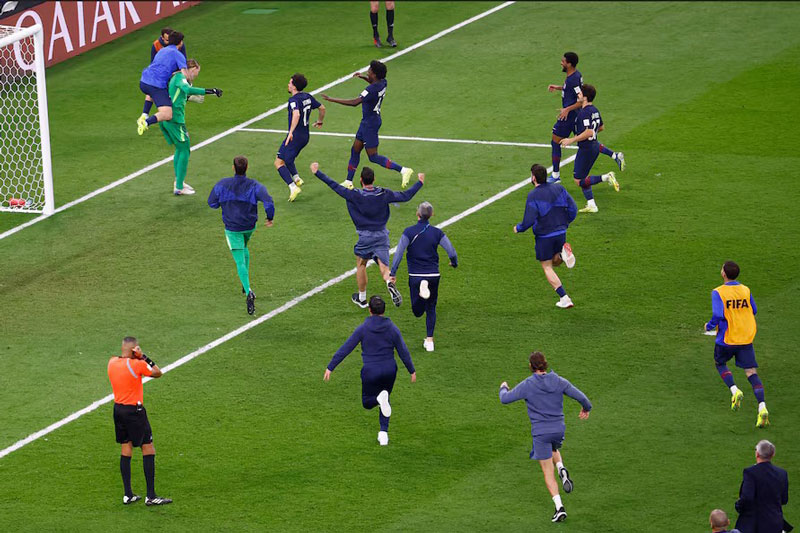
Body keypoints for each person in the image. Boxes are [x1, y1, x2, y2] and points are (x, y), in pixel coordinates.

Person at [311, 161, 423, 308]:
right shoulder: (383, 193)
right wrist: (419, 182)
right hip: (382, 236)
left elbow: (334, 185)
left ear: (361, 180)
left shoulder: (354, 195)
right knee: (384, 266)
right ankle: (388, 281)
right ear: (374, 179)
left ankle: (362, 298)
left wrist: (317, 172)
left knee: (361, 263)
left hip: (365, 237)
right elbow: (405, 196)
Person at [499, 351, 591, 523]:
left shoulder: (528, 385)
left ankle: (559, 508)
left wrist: (503, 387)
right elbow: (582, 397)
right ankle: (562, 468)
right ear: (545, 364)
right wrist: (586, 408)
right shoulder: (558, 381)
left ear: (530, 366)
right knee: (553, 447)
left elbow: (505, 399)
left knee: (548, 472)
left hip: (541, 432)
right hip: (558, 429)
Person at [324, 295, 416, 446]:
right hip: (390, 370)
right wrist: (411, 370)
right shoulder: (392, 328)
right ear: (384, 310)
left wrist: (331, 366)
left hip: (371, 371)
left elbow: (347, 347)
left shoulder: (363, 328)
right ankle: (384, 433)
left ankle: (379, 401)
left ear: (370, 310)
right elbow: (403, 350)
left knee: (367, 402)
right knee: (385, 396)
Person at [321, 60, 414, 189]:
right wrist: (363, 77)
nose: (367, 72)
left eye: (369, 71)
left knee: (373, 157)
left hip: (370, 124)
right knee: (355, 149)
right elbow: (373, 83)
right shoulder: (383, 82)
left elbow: (355, 102)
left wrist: (332, 99)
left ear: (374, 74)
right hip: (369, 121)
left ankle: (404, 170)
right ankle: (348, 181)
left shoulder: (370, 90)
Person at [107, 336, 171, 506]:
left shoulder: (112, 362)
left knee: (126, 447)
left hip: (118, 410)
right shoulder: (137, 364)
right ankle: (151, 496)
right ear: (134, 350)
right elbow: (157, 372)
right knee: (148, 448)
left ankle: (128, 494)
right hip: (134, 412)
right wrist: (143, 357)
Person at [705, 261, 769, 428]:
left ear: (724, 274)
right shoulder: (745, 290)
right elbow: (754, 310)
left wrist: (709, 326)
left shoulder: (718, 292)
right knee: (751, 372)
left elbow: (718, 315)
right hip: (745, 337)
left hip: (727, 339)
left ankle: (734, 390)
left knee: (720, 363)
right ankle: (762, 407)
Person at [208, 156, 275, 315]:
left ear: (233, 168)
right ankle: (244, 284)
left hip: (232, 228)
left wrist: (224, 205)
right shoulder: (255, 185)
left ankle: (248, 291)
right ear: (247, 167)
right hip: (249, 226)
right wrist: (269, 217)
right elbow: (268, 202)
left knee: (239, 261)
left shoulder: (222, 184)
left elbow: (212, 203)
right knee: (244, 247)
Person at [389, 201, 458, 352]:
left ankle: (422, 293)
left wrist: (393, 273)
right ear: (432, 214)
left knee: (417, 311)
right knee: (431, 307)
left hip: (416, 275)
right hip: (433, 275)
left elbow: (399, 253)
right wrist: (454, 263)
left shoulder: (408, 232)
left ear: (417, 214)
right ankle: (430, 341)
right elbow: (451, 252)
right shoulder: (437, 233)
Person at [513, 163, 578, 309]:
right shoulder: (559, 188)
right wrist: (565, 222)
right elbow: (573, 208)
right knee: (555, 260)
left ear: (533, 178)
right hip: (561, 232)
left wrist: (519, 228)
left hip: (544, 236)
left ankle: (564, 298)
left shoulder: (533, 195)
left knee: (547, 267)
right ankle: (563, 255)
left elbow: (529, 219)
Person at [160, 59, 223, 196]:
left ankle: (179, 182)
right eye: (196, 72)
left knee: (180, 148)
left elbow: (179, 94)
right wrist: (210, 91)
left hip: (169, 118)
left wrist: (190, 98)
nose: (196, 76)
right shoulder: (180, 78)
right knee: (185, 149)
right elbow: (187, 89)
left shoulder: (176, 78)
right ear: (192, 69)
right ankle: (179, 187)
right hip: (174, 120)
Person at [560, 84, 620, 213]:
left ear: (585, 97)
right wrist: (591, 134)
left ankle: (606, 177)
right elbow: (601, 127)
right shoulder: (594, 110)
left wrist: (571, 140)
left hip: (586, 149)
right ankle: (591, 204)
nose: (578, 95)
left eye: (580, 93)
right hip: (593, 146)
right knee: (584, 177)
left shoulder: (584, 113)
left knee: (579, 180)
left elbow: (588, 132)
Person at [274, 73, 325, 202]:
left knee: (279, 162)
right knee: (288, 158)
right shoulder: (307, 96)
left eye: (290, 82)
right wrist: (320, 121)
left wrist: (291, 132)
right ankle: (297, 178)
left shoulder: (293, 100)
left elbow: (296, 114)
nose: (288, 84)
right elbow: (322, 108)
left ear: (294, 86)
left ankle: (293, 187)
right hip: (305, 136)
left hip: (295, 136)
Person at [137, 31, 189, 135]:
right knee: (167, 113)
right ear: (180, 42)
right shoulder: (178, 54)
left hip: (143, 81)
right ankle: (145, 122)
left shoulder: (162, 51)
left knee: (152, 93)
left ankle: (144, 114)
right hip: (156, 86)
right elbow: (185, 74)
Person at [735, 440, 790, 533]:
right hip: (775, 523)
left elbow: (747, 498)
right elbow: (784, 500)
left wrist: (738, 506)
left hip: (753, 525)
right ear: (773, 454)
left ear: (757, 454)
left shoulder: (750, 472)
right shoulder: (782, 473)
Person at [547, 52, 583, 183]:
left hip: (569, 116)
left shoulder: (573, 79)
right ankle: (613, 155)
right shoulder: (575, 75)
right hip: (576, 114)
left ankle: (555, 175)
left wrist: (567, 109)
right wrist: (558, 87)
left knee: (555, 141)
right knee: (586, 142)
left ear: (569, 64)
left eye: (563, 61)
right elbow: (571, 90)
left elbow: (581, 100)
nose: (561, 63)